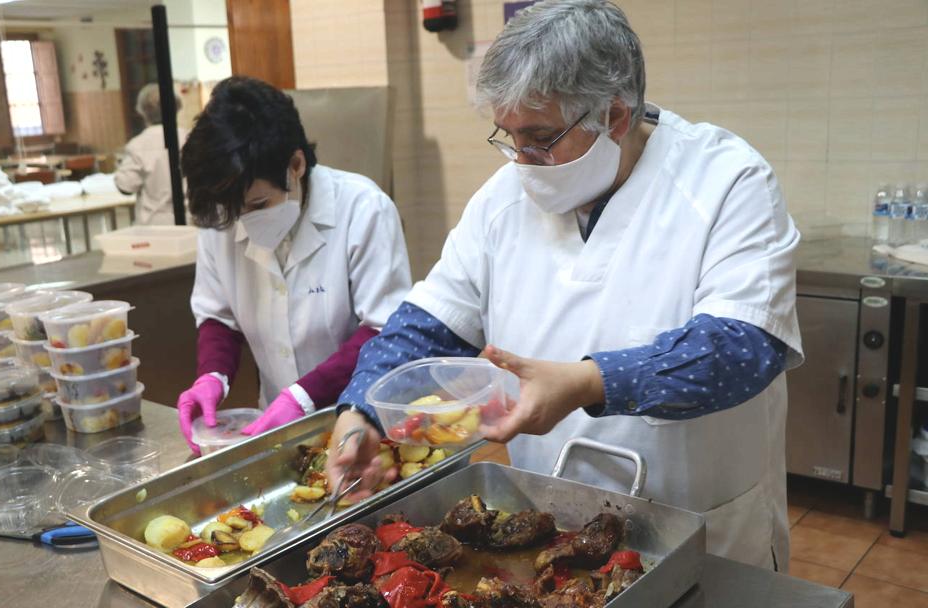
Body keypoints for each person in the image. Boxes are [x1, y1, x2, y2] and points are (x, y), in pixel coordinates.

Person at [326, 0, 801, 573]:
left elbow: (740, 348)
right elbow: (427, 325)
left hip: (704, 527)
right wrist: (361, 413)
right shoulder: (502, 201)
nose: (522, 160)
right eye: (508, 136)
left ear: (616, 116)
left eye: (542, 137)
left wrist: (584, 382)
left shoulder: (727, 182)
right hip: (549, 529)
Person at [177, 77, 411, 454]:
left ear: (296, 165)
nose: (244, 220)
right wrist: (213, 376)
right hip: (274, 424)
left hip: (361, 422)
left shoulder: (363, 209)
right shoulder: (222, 221)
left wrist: (304, 396)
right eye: (234, 209)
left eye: (257, 205)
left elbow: (382, 331)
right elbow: (218, 316)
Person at [114, 83, 189, 225]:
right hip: (189, 220)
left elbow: (125, 186)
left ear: (142, 111)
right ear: (176, 107)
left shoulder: (138, 144)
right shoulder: (189, 138)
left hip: (154, 224)